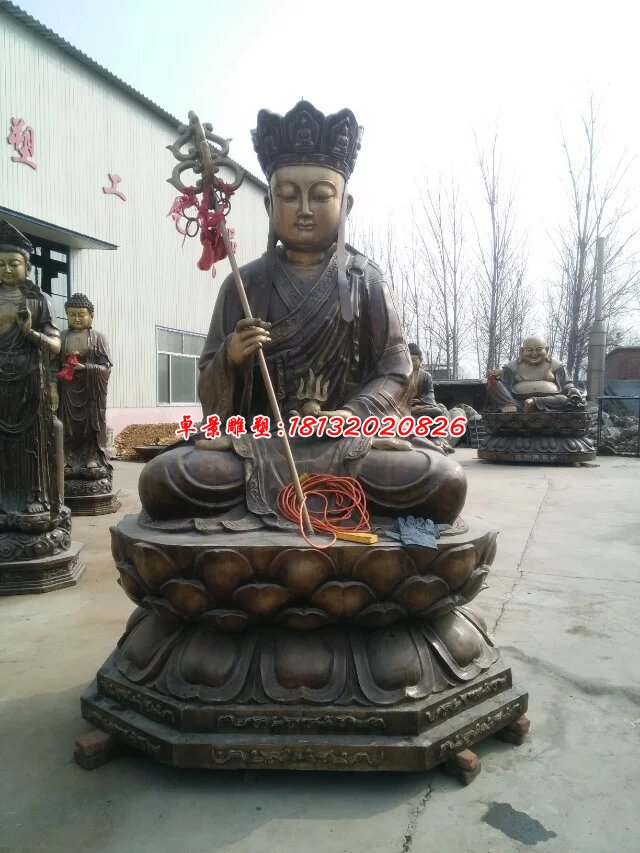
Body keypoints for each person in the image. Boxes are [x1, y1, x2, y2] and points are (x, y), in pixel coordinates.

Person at [139, 101, 466, 527]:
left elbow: (396, 371)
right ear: (269, 204)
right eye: (289, 196)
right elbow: (208, 383)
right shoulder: (243, 284)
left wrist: (353, 415)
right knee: (164, 478)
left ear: (345, 205)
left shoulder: (366, 280)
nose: (305, 209)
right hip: (259, 443)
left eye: (321, 195)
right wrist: (230, 358)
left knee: (444, 481)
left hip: (346, 444)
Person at [0, 220, 63, 532]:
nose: (7, 270)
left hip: (29, 379)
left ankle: (33, 497)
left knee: (32, 443)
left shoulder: (39, 300)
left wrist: (30, 333)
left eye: (14, 263)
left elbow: (56, 345)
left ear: (27, 266)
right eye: (0, 264)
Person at [57, 293, 113, 480]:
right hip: (67, 390)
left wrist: (86, 368)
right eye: (72, 315)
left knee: (91, 425)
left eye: (81, 314)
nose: (77, 318)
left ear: (91, 316)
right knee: (67, 425)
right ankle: (68, 458)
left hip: (91, 392)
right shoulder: (61, 337)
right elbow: (52, 365)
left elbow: (106, 367)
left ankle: (92, 457)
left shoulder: (98, 338)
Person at [487, 336, 585, 413]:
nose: (534, 353)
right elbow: (503, 386)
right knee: (493, 383)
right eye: (529, 350)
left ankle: (535, 403)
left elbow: (566, 383)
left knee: (563, 399)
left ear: (547, 350)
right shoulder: (511, 366)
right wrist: (495, 377)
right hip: (517, 402)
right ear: (522, 350)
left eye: (539, 349)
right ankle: (509, 404)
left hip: (550, 402)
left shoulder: (556, 365)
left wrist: (571, 389)